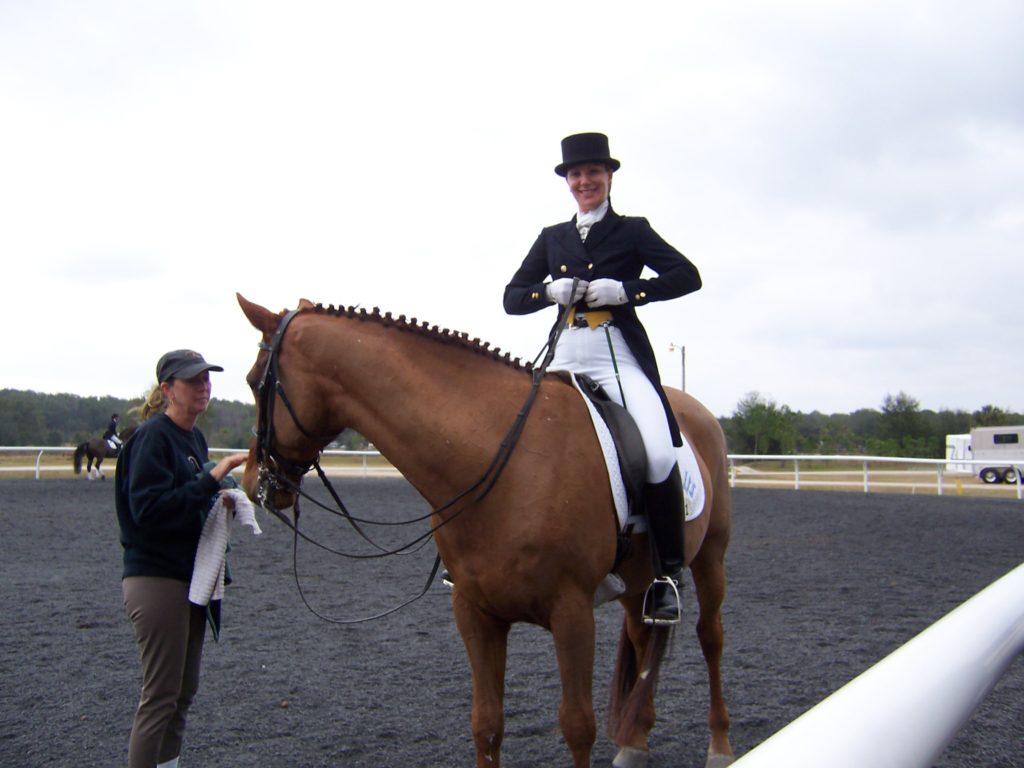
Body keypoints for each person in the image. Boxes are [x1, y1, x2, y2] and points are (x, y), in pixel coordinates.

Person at [503, 132, 702, 624]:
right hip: (565, 351)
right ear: (568, 182)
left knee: (657, 450)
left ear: (608, 177)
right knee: (505, 435)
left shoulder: (633, 230)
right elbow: (511, 297)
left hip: (617, 353)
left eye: (593, 172)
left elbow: (687, 275)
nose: (584, 181)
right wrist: (549, 291)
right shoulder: (552, 236)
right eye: (576, 174)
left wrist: (630, 290)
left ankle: (666, 576)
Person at [115, 349, 248, 768]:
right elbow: (148, 512)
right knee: (160, 698)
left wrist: (221, 495)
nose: (204, 386)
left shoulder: (193, 439)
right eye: (193, 380)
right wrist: (212, 479)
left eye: (207, 379)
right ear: (167, 389)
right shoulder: (153, 436)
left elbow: (188, 503)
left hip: (189, 578)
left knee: (183, 693)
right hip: (156, 580)